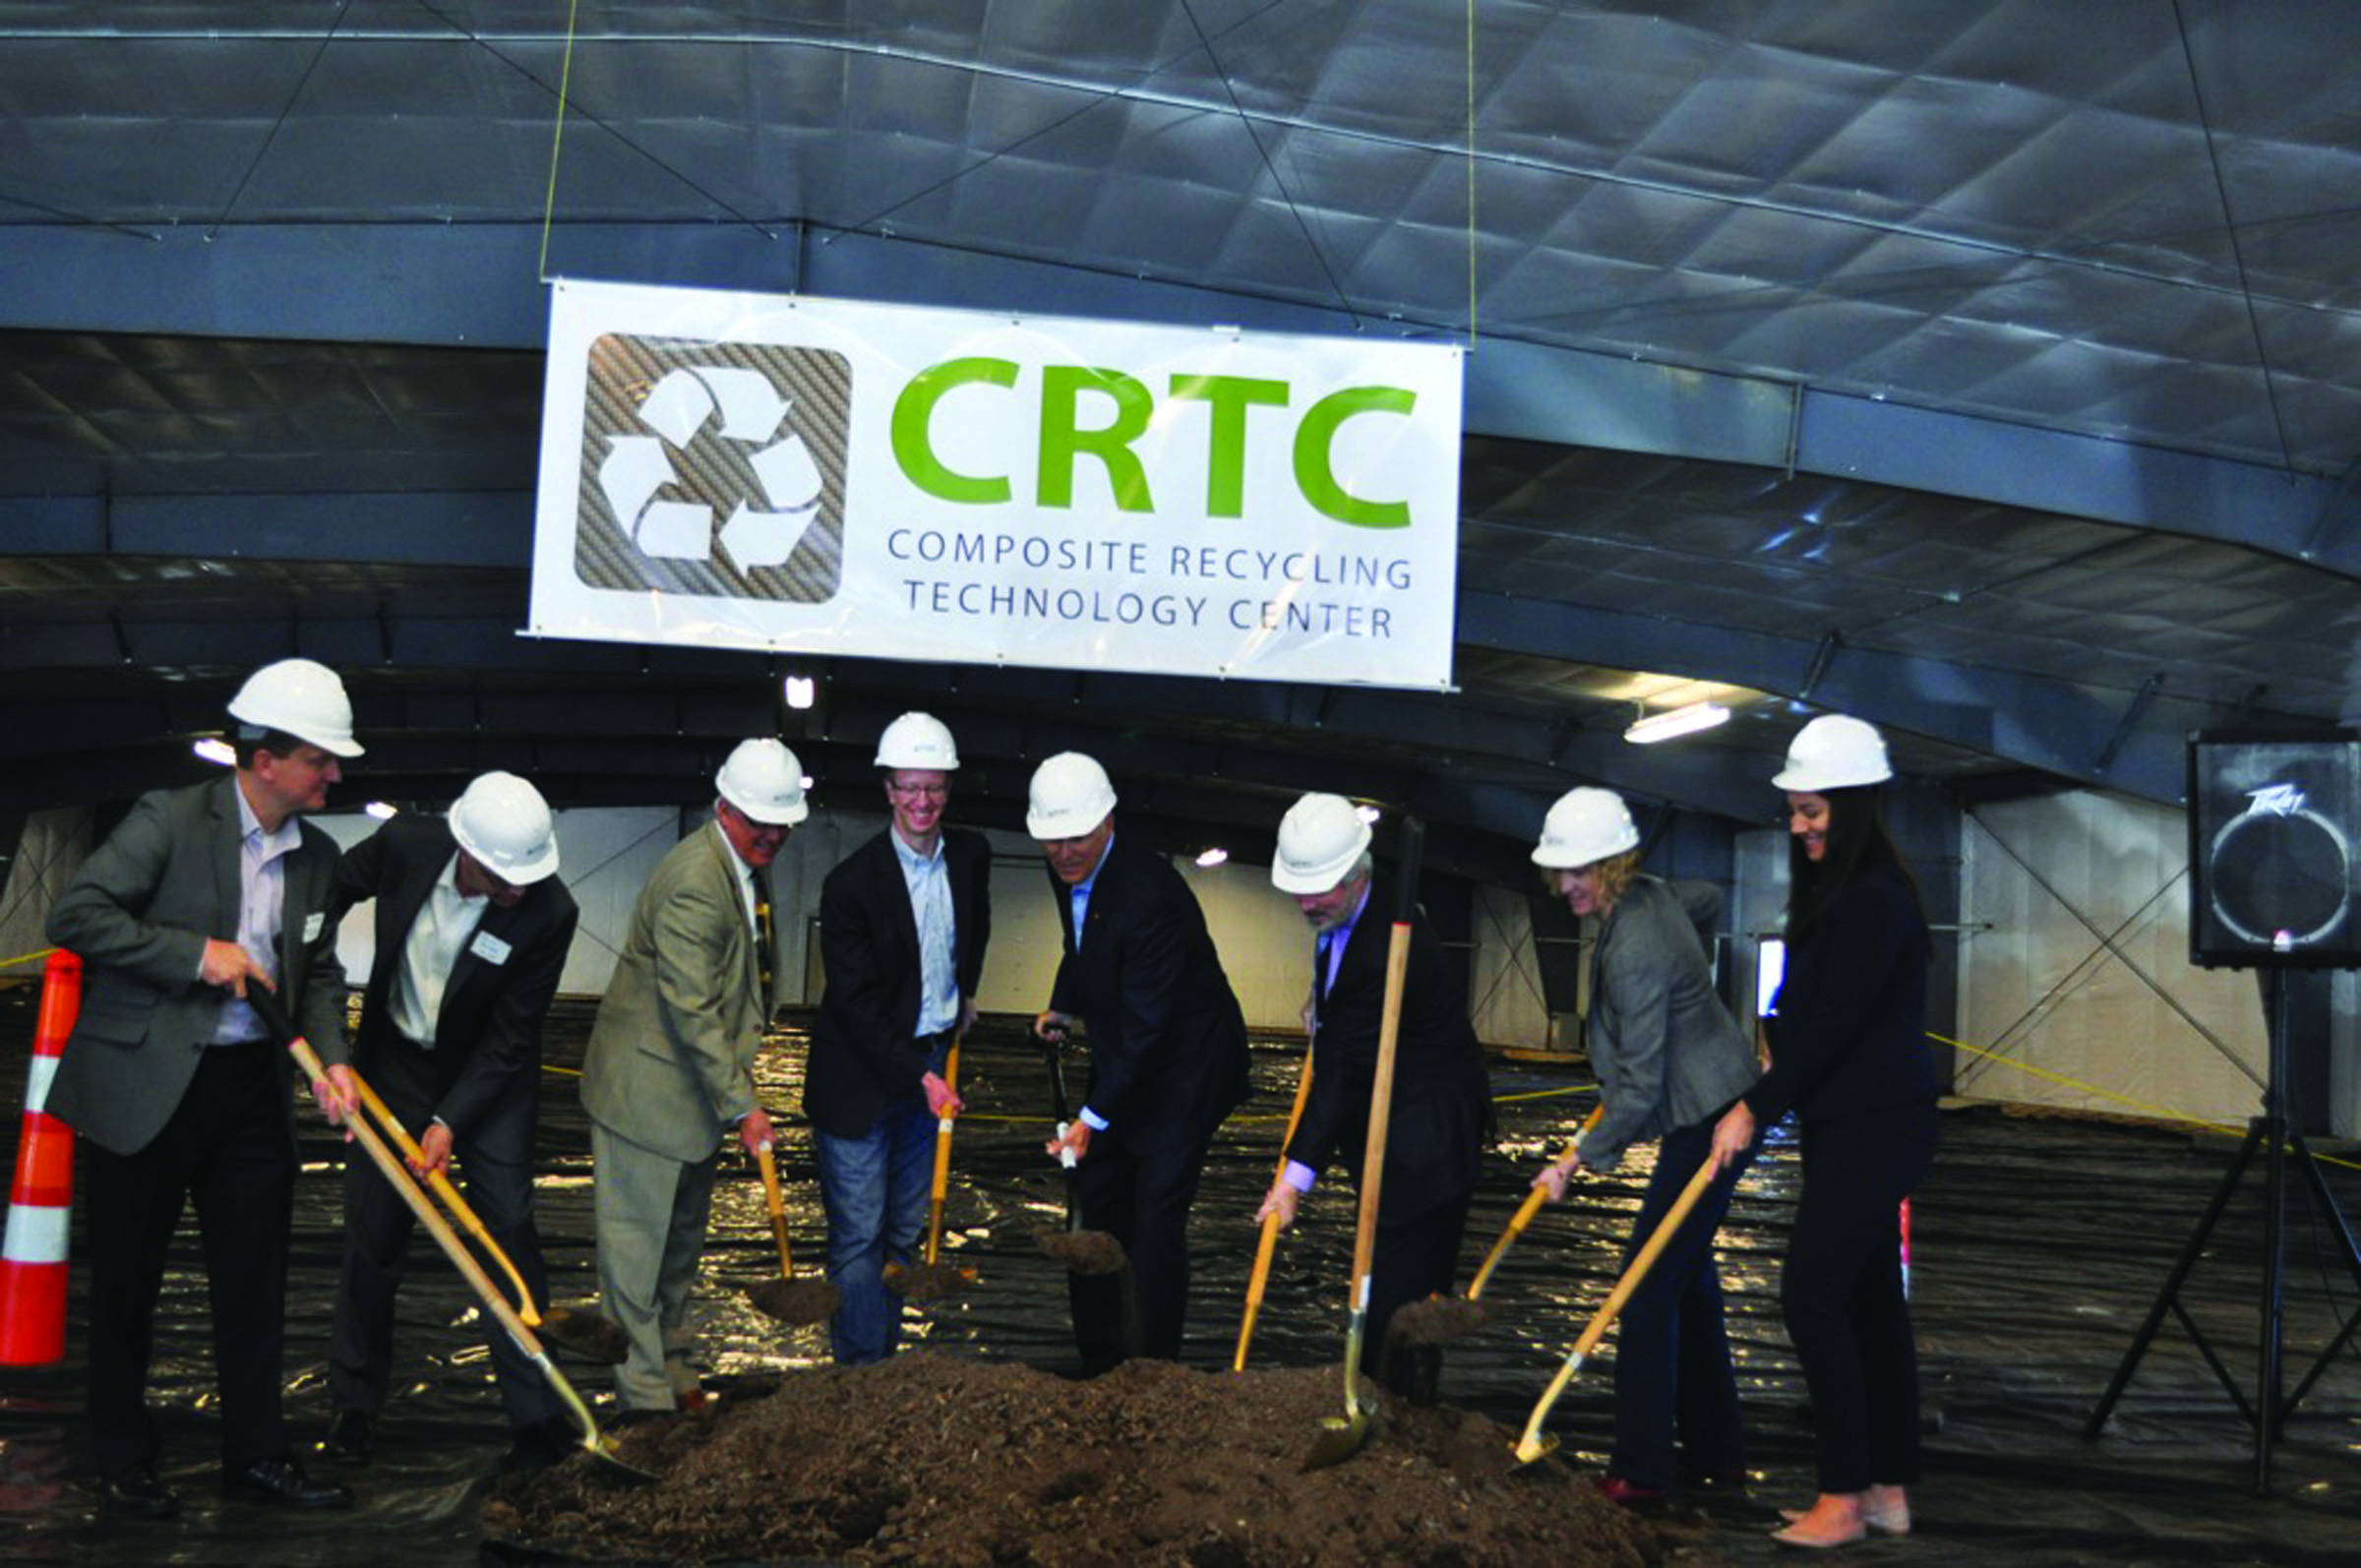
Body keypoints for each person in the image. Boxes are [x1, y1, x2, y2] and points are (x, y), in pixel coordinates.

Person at [44, 658, 364, 1517]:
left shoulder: (320, 857)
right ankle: (122, 1459)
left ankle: (255, 1456)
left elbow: (320, 970)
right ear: (265, 760)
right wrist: (196, 954)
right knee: (125, 1285)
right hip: (147, 1086)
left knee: (254, 1284)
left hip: (250, 1092)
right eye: (320, 759)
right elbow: (76, 916)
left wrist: (334, 1059)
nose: (335, 773)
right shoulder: (170, 819)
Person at [1708, 714, 1939, 1548]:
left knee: (1810, 1295)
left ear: (1854, 805)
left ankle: (1841, 1497)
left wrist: (1753, 1108)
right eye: (1795, 812)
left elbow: (1838, 1023)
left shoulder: (1874, 900)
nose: (1800, 826)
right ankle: (1885, 1490)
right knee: (1871, 1300)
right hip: (1849, 1122)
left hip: (1877, 1126)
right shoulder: (1841, 894)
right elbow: (1810, 1001)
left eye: (1813, 811)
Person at [318, 771, 581, 1474]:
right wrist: (299, 954)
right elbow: (327, 890)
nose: (519, 890)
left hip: (486, 1080)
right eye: (504, 878)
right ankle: (354, 1406)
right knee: (374, 1240)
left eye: (529, 876)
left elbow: (510, 1039)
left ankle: (537, 1416)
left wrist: (449, 1122)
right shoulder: (405, 842)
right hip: (392, 1063)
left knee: (507, 1232)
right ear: (467, 852)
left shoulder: (549, 912)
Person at [1527, 787, 1761, 1506]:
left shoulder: (1632, 946)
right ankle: (1718, 1455)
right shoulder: (1657, 896)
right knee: (1688, 1288)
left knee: (1644, 1289)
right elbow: (1709, 905)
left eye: (1582, 870)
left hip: (1710, 1120)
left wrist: (1574, 1159)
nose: (1567, 884)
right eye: (1560, 871)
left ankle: (1641, 1467)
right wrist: (1695, 988)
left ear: (1616, 863)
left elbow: (1636, 1088)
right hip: (1716, 1100)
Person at [580, 738, 807, 1419]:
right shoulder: (694, 881)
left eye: (782, 821)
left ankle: (676, 1373)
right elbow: (691, 1007)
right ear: (723, 806)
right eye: (757, 820)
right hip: (646, 1100)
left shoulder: (740, 866)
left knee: (676, 1258)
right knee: (636, 1261)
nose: (772, 833)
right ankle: (645, 1401)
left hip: (690, 1106)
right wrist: (744, 1107)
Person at [1253, 793, 1490, 1396]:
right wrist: (1320, 1002)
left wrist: (1292, 1182)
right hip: (1390, 1129)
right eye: (1299, 888)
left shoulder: (1390, 945)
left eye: (1320, 889)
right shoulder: (1352, 906)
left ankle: (1401, 1424)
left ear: (1356, 874)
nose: (1306, 902)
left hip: (1424, 1145)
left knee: (1399, 1300)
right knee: (1385, 1283)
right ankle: (1388, 1405)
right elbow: (1339, 981)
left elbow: (1340, 1077)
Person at [1030, 752, 1250, 1374]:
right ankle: (1102, 1360)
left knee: (1153, 1220)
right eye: (1051, 841)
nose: (1064, 852)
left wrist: (1091, 1120)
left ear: (1108, 823)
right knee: (1097, 1201)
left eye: (1076, 838)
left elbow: (1152, 1031)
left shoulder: (1152, 896)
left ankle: (1151, 1367)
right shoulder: (1066, 870)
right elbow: (1081, 944)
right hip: (1128, 1050)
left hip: (1186, 1071)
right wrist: (1063, 1005)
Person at [805, 713, 992, 1364]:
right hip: (860, 1077)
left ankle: (884, 1371)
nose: (922, 802)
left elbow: (976, 925)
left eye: (934, 788)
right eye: (909, 787)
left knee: (902, 1233)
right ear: (887, 789)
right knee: (859, 1236)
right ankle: (859, 1376)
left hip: (928, 1058)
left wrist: (963, 992)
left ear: (948, 788)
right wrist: (920, 1076)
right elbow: (855, 1008)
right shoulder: (852, 885)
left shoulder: (969, 855)